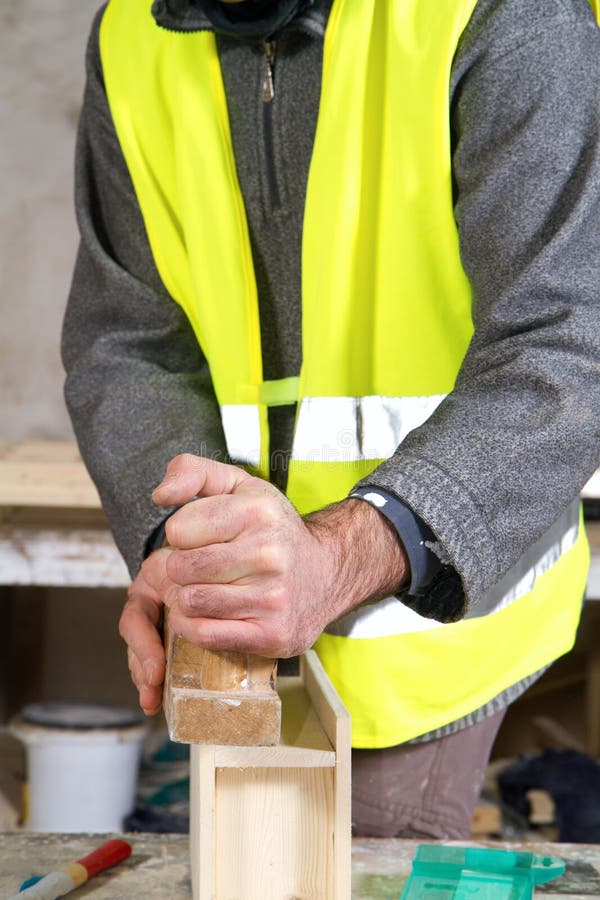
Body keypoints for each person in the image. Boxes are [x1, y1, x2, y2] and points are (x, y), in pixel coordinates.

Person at [62, 0, 600, 839]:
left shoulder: (506, 15)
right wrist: (187, 546)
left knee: (352, 861)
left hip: (423, 641)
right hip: (244, 641)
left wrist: (342, 554)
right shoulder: (134, 35)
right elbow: (130, 339)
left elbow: (569, 346)